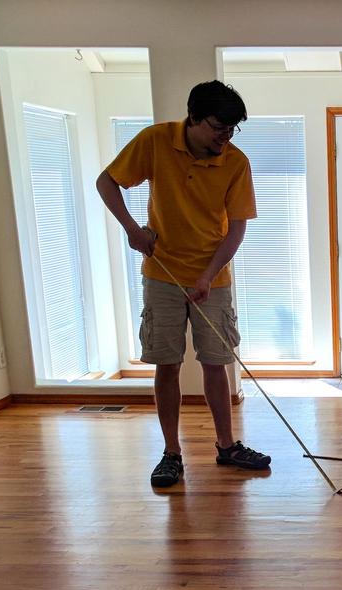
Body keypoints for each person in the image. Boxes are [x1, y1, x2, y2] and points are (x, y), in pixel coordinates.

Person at [96, 80, 271, 488]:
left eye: (231, 130)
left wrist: (208, 276)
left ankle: (227, 446)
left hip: (214, 274)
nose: (224, 138)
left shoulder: (235, 162)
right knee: (167, 364)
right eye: (217, 128)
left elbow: (237, 229)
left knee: (217, 363)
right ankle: (171, 453)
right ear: (193, 118)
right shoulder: (155, 141)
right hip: (162, 274)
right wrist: (131, 230)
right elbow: (107, 182)